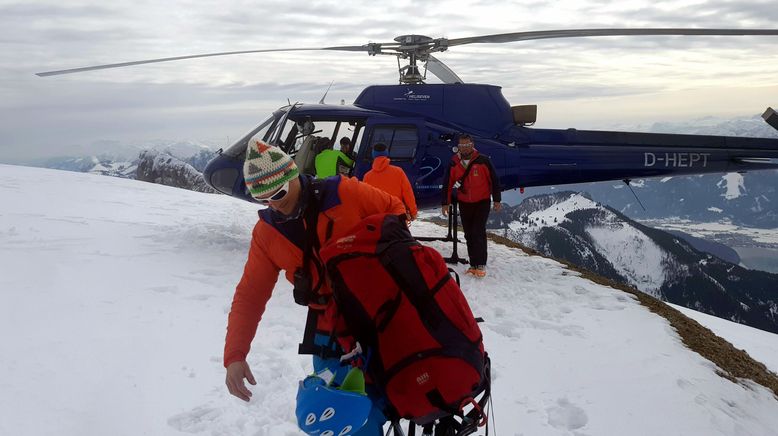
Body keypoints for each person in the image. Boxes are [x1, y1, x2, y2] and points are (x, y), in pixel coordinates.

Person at [224, 140, 406, 435]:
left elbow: (396, 211)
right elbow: (250, 295)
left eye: (279, 192)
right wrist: (235, 355)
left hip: (381, 318)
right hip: (328, 335)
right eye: (263, 198)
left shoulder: (344, 193)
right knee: (343, 418)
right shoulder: (267, 233)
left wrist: (376, 251)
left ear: (294, 174)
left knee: (396, 398)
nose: (274, 203)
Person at [441, 134, 501, 278]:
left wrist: (497, 199)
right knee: (468, 233)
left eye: (467, 145)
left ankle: (480, 264)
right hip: (464, 202)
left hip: (482, 202)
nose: (465, 148)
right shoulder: (454, 162)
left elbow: (494, 180)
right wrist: (445, 203)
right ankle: (473, 264)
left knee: (477, 231)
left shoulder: (483, 160)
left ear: (472, 144)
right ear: (458, 147)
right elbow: (447, 184)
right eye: (462, 145)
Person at [363, 142, 417, 221]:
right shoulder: (398, 172)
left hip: (376, 218)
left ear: (373, 154)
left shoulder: (367, 176)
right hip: (397, 217)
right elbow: (408, 193)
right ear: (386, 153)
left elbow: (364, 200)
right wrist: (413, 212)